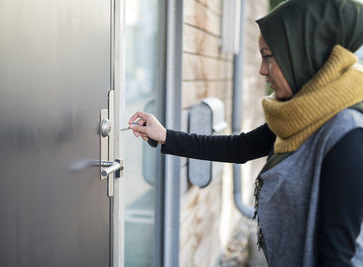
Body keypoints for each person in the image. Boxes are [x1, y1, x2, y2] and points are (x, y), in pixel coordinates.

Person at [128, 0, 363, 266]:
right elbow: (240, 148)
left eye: (268, 57)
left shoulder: (347, 135)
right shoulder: (299, 115)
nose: (262, 70)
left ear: (301, 54)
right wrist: (166, 136)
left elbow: (336, 256)